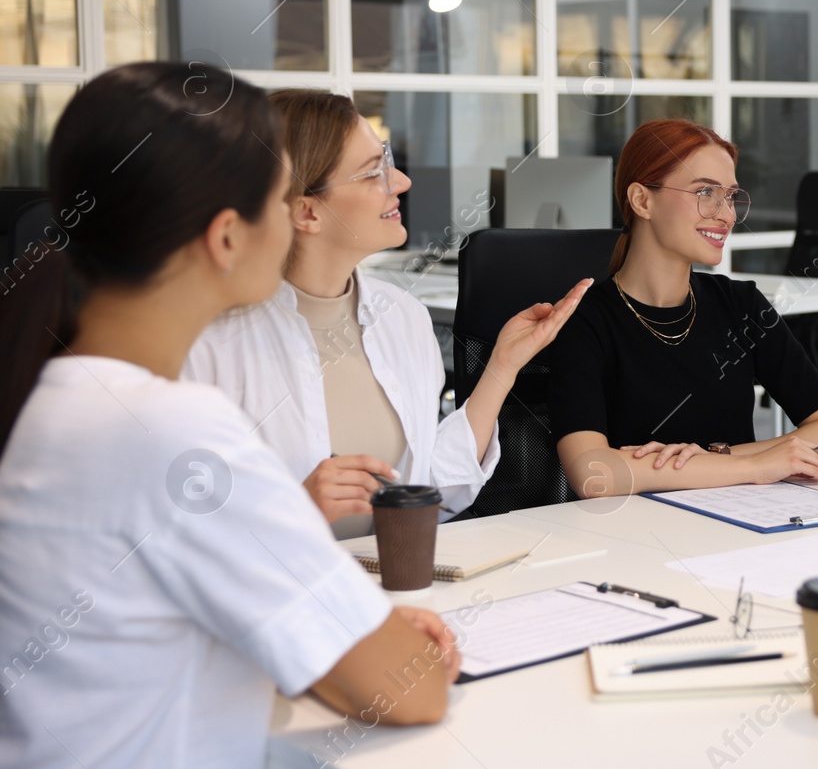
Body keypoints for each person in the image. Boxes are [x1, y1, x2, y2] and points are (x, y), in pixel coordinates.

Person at [0, 63, 457, 769]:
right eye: (279, 197)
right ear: (226, 237)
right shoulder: (174, 434)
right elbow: (411, 687)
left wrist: (342, 629)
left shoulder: (56, 396)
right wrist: (380, 643)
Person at [185, 90, 588, 535]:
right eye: (371, 172)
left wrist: (503, 365)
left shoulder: (402, 317)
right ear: (307, 212)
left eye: (387, 160)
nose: (400, 182)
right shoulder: (208, 343)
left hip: (395, 586)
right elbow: (164, 531)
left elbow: (433, 491)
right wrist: (291, 510)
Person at [546, 118, 818, 497]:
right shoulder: (584, 320)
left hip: (739, 524)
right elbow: (593, 473)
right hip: (635, 539)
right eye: (705, 192)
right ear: (642, 200)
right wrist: (755, 464)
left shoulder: (742, 305)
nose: (726, 215)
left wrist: (720, 455)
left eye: (729, 195)